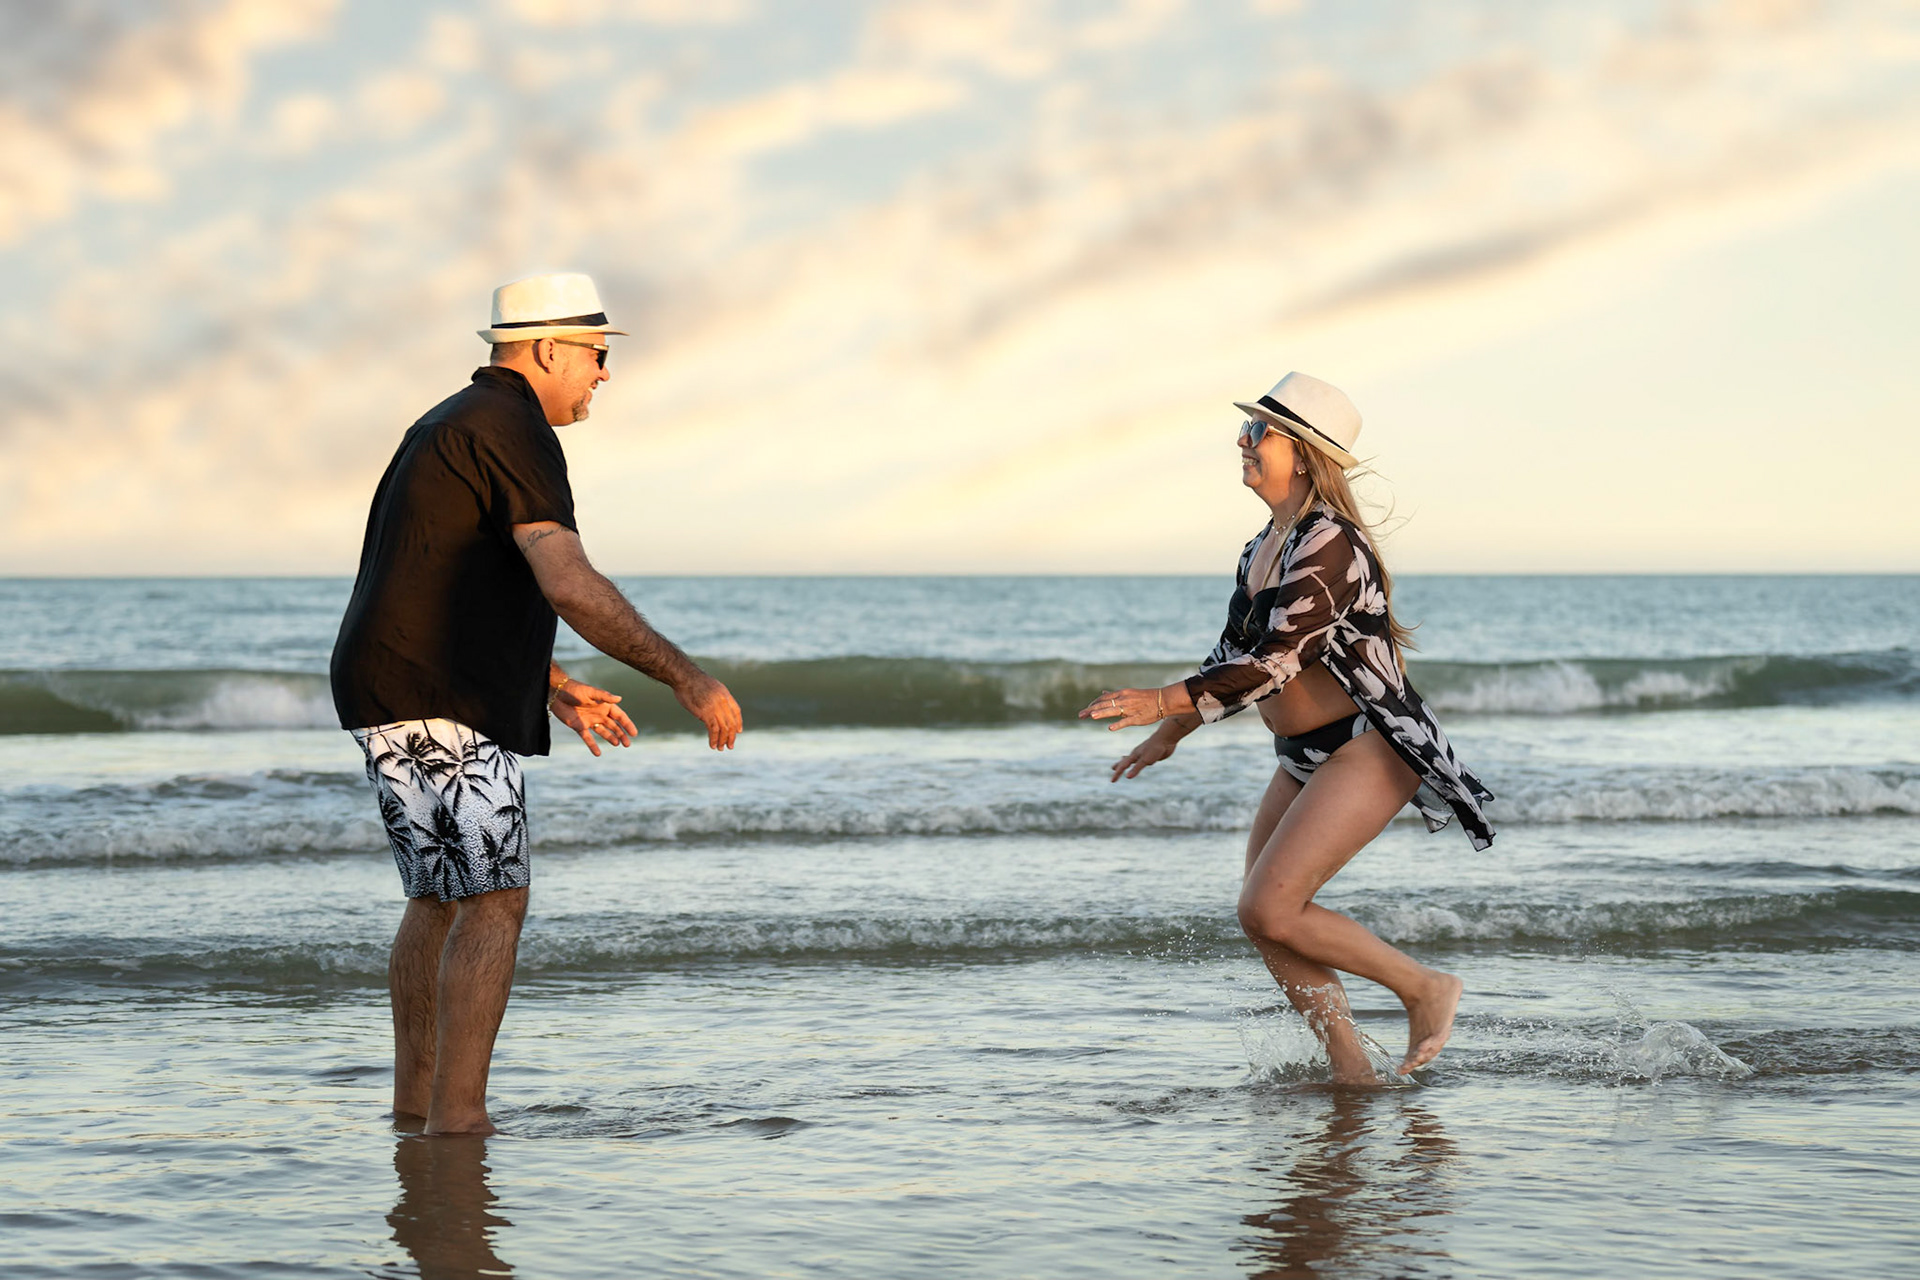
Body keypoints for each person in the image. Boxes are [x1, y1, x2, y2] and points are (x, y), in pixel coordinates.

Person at [330, 271, 743, 1135]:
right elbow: (569, 581)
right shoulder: (510, 424)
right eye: (595, 354)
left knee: (441, 894)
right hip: (439, 691)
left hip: (395, 677)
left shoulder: (447, 422)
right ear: (549, 347)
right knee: (493, 897)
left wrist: (550, 685)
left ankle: (419, 1109)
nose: (602, 373)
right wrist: (686, 676)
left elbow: (439, 572)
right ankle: (461, 1120)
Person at [1080, 372, 1494, 1084]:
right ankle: (1350, 1068)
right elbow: (1231, 656)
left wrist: (1161, 700)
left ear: (1302, 451)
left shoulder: (1331, 543)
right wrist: (1171, 730)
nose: (1242, 441)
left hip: (1368, 745)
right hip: (1301, 753)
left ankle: (1425, 988)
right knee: (1264, 917)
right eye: (1245, 429)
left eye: (1257, 432)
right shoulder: (1262, 545)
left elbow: (1276, 663)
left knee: (1269, 905)